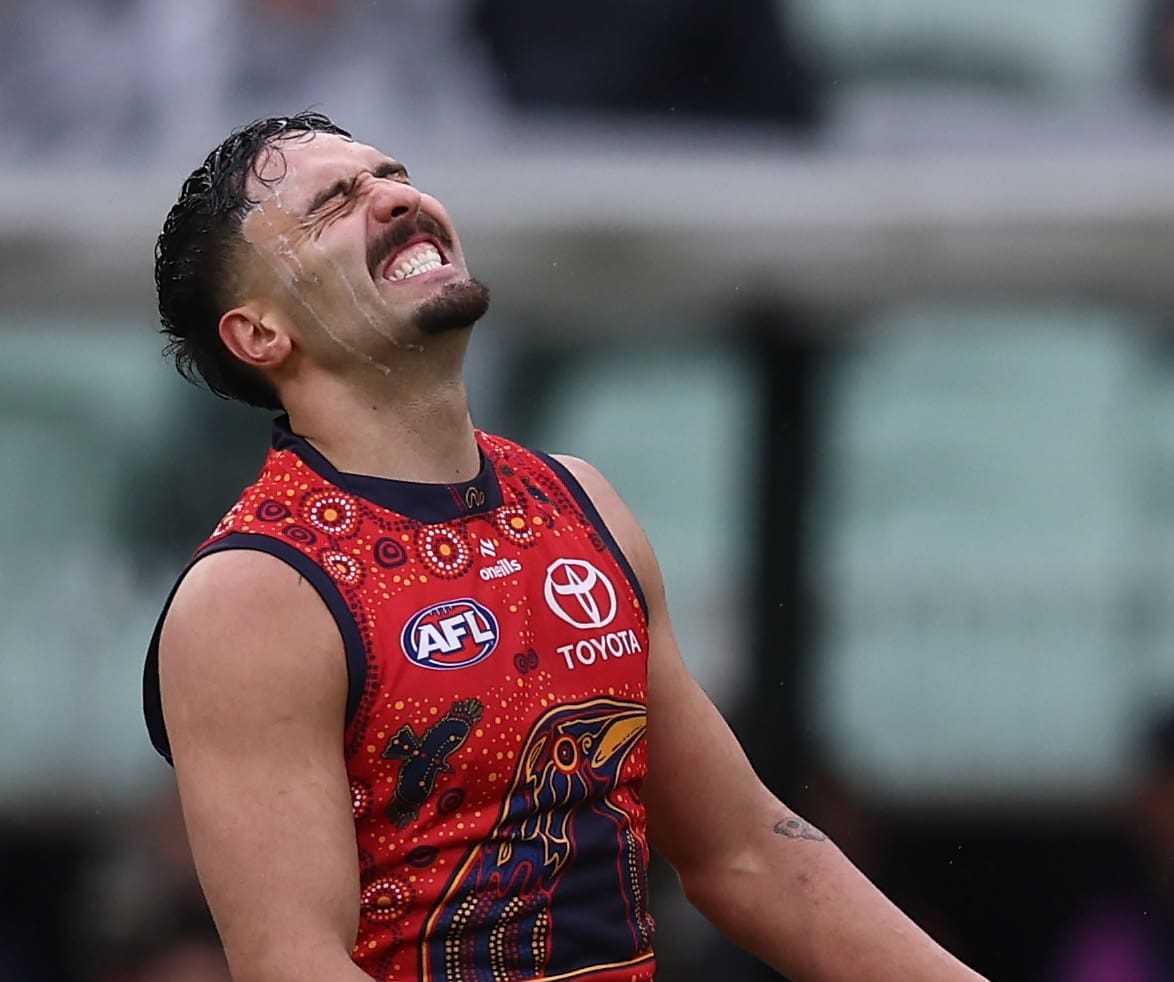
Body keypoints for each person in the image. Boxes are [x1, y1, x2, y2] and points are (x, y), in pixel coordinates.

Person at [142, 111, 990, 982]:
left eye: (391, 174)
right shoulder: (256, 591)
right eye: (333, 204)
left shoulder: (580, 504)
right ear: (260, 334)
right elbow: (294, 963)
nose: (395, 199)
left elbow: (747, 853)